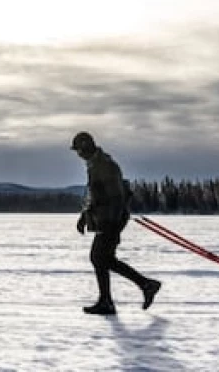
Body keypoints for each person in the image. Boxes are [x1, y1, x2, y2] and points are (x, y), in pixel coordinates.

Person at [71, 131, 161, 315]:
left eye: (79, 151)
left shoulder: (104, 166)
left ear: (85, 147)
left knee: (99, 257)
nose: (78, 155)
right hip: (106, 220)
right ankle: (139, 288)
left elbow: (116, 197)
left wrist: (110, 223)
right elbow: (95, 196)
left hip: (111, 220)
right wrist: (84, 217)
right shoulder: (95, 164)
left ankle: (139, 288)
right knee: (103, 259)